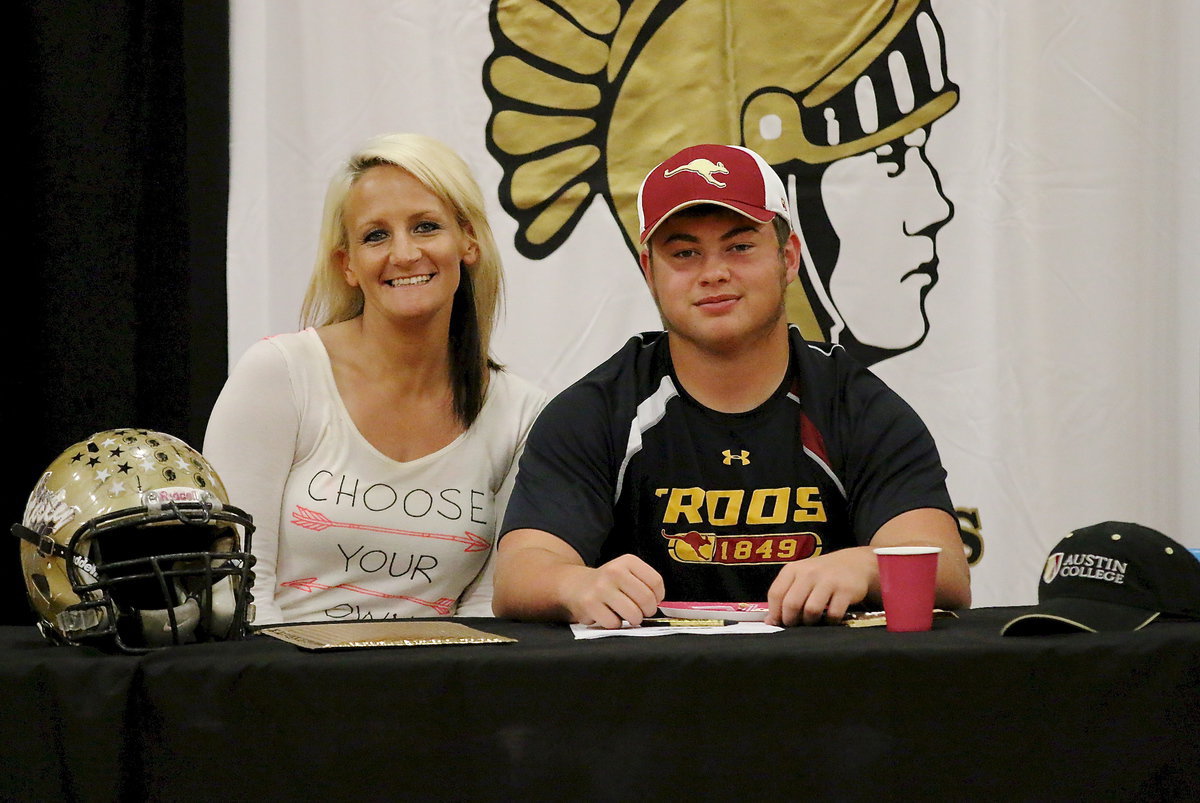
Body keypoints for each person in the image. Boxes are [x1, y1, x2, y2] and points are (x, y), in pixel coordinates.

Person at [493, 143, 969, 628]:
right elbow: (519, 572)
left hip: (825, 688)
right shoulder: (596, 410)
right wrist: (574, 584)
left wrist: (864, 566)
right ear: (648, 272)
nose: (714, 273)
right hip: (651, 690)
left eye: (740, 247)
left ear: (787, 258)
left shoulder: (856, 405)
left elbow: (947, 570)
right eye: (684, 253)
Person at [205, 133, 546, 625]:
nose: (404, 254)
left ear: (467, 241)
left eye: (426, 227)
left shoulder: (522, 413)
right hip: (281, 683)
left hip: (438, 689)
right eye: (375, 235)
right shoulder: (280, 374)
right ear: (347, 264)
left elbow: (484, 607)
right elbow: (235, 587)